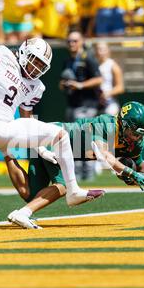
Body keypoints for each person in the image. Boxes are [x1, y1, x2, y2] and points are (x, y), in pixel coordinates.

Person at [0, 38, 105, 206]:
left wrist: (40, 148)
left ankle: (73, 190)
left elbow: (26, 120)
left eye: (41, 66)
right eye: (34, 61)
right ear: (24, 52)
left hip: (7, 130)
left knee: (61, 135)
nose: (36, 68)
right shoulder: (2, 56)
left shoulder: (36, 87)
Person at [6, 101, 144, 229]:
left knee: (32, 195)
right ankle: (22, 214)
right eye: (133, 133)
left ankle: (6, 152)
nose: (136, 138)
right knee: (63, 186)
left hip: (58, 147)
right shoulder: (108, 125)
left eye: (140, 134)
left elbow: (140, 166)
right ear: (123, 123)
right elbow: (104, 154)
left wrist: (136, 178)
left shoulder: (135, 142)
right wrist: (130, 173)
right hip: (54, 138)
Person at [60, 30, 102, 181]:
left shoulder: (88, 58)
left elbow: (99, 79)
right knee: (72, 139)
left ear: (82, 42)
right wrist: (65, 85)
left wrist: (80, 85)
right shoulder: (67, 60)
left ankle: (88, 171)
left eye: (75, 41)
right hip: (72, 104)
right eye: (69, 41)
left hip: (87, 104)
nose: (72, 44)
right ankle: (76, 171)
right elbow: (61, 83)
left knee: (83, 138)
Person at [95, 41, 123, 116]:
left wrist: (107, 94)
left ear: (108, 51)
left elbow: (120, 87)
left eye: (103, 49)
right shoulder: (94, 64)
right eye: (98, 49)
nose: (100, 52)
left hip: (110, 105)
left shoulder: (113, 65)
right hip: (95, 106)